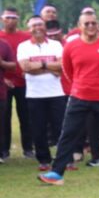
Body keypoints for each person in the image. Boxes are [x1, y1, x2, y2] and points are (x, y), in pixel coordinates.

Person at [38, 11, 99, 185]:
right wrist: (81, 84)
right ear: (79, 26)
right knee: (67, 134)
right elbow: (68, 71)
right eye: (86, 23)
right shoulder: (70, 46)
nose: (90, 26)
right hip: (79, 97)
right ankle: (56, 173)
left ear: (98, 25)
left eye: (93, 23)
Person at [16, 16, 66, 171]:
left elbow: (62, 65)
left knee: (61, 127)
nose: (37, 28)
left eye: (40, 24)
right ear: (28, 29)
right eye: (34, 25)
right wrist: (50, 67)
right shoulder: (23, 46)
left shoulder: (56, 45)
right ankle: (44, 160)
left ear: (45, 27)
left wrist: (39, 65)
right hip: (35, 94)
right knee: (38, 129)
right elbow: (25, 67)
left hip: (56, 92)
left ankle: (64, 158)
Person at [0, 7, 33, 160]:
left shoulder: (26, 37)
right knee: (4, 117)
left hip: (23, 81)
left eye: (14, 17)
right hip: (3, 83)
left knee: (26, 116)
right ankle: (4, 150)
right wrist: (4, 79)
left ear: (18, 19)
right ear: (2, 19)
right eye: (8, 17)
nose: (11, 20)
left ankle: (28, 148)